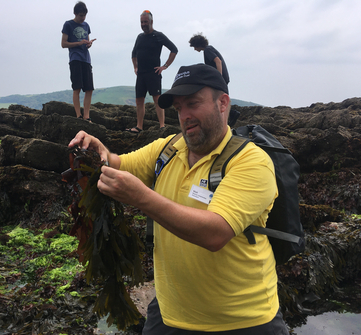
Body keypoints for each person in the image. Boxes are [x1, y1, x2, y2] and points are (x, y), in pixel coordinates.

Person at [69, 64, 288, 334]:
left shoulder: (251, 162)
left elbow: (215, 232)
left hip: (243, 321)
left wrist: (142, 197)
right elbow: (117, 164)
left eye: (193, 104)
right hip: (169, 316)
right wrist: (98, 149)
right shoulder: (168, 149)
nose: (185, 116)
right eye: (179, 109)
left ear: (223, 103)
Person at [127, 10, 178, 133]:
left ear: (151, 22)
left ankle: (162, 126)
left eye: (146, 22)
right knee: (139, 100)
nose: (143, 24)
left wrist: (165, 66)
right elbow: (133, 53)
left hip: (153, 73)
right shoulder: (139, 37)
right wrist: (135, 67)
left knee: (157, 99)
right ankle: (139, 126)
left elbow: (174, 49)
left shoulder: (158, 35)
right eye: (142, 22)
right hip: (141, 74)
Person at [61, 1, 96, 122]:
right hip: (75, 58)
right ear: (75, 13)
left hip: (86, 59)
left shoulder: (86, 25)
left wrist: (88, 44)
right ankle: (78, 115)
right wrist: (79, 43)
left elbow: (86, 43)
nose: (83, 18)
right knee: (77, 88)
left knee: (89, 88)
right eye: (81, 15)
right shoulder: (68, 24)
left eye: (84, 15)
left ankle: (86, 116)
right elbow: (63, 43)